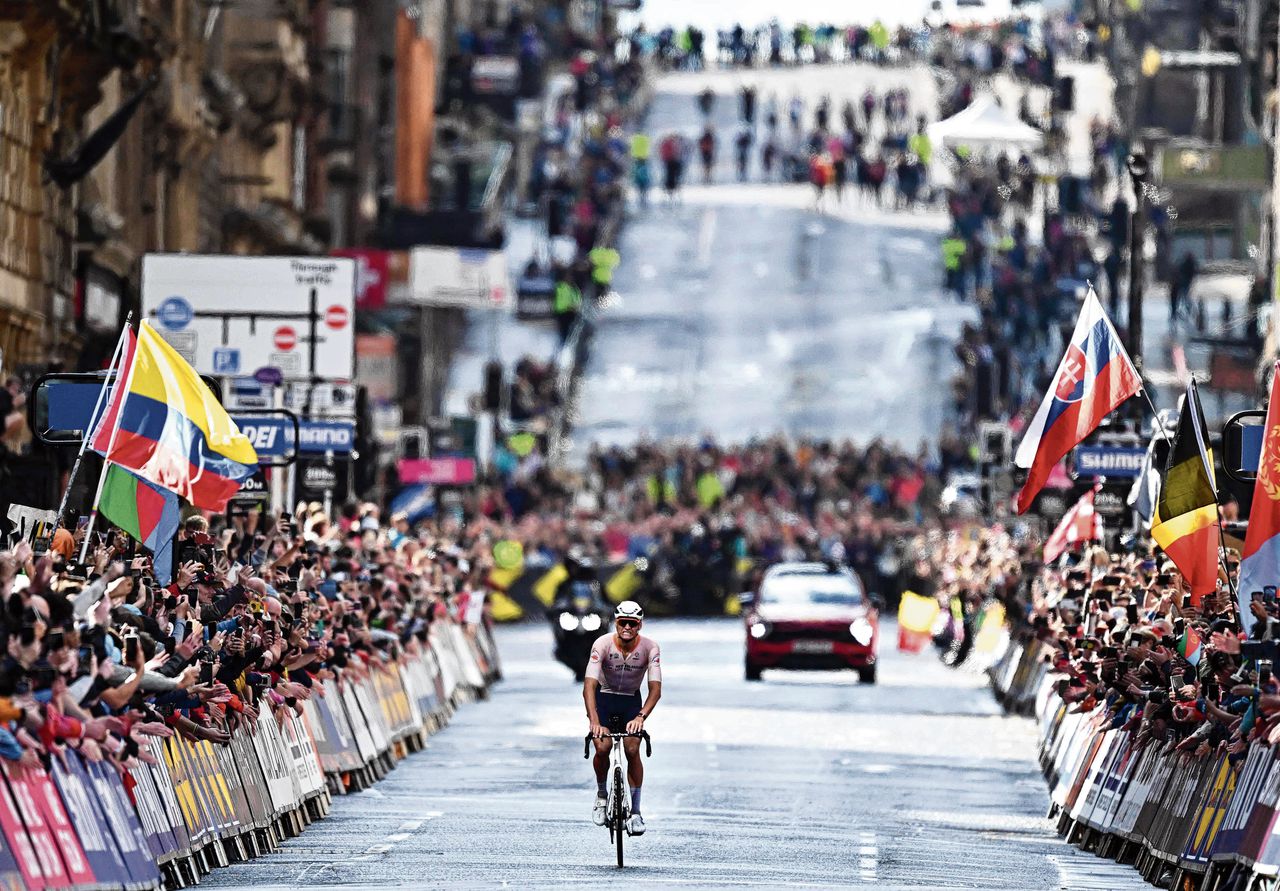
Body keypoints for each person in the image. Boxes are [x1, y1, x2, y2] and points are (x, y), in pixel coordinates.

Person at [585, 600, 662, 835]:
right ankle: (601, 796)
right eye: (622, 623)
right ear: (615, 623)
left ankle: (636, 812)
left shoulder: (650, 648)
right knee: (602, 748)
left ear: (640, 625)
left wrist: (641, 717)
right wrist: (594, 721)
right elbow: (589, 686)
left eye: (632, 623)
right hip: (605, 700)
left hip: (631, 702)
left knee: (631, 750)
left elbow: (655, 690)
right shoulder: (602, 644)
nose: (627, 627)